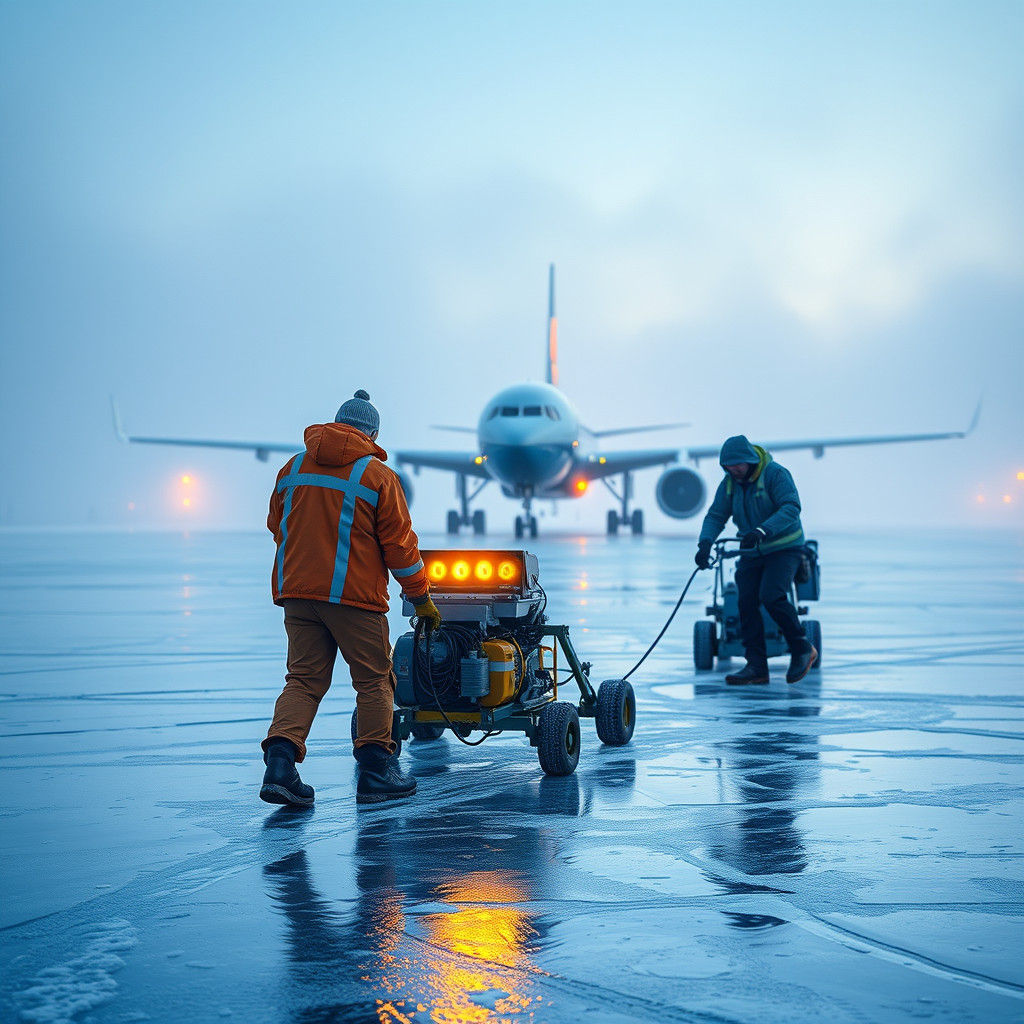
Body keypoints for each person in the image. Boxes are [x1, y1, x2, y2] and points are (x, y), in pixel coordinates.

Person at [259, 390, 441, 807]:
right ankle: (377, 771)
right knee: (375, 680)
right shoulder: (377, 476)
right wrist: (421, 597)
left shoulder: (293, 468)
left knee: (303, 680)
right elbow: (399, 547)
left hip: (297, 594)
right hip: (354, 598)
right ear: (372, 433)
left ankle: (280, 767)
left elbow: (276, 525)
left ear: (336, 423)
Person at [694, 435, 817, 685]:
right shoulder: (730, 484)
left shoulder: (775, 474)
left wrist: (763, 530)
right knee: (745, 601)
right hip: (752, 550)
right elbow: (716, 515)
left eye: (738, 465)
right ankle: (757, 666)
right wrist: (705, 543)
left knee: (771, 595)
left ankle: (802, 648)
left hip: (785, 547)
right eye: (728, 467)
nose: (734, 470)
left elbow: (791, 507)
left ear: (750, 460)